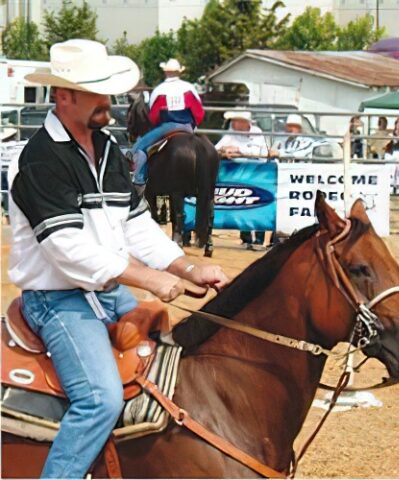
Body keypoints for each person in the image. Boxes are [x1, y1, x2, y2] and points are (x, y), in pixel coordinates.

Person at [8, 39, 229, 479]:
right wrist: (148, 279)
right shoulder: (38, 160)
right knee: (100, 398)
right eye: (96, 91)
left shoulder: (108, 150)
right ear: (64, 95)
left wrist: (187, 268)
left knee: (168, 370)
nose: (107, 102)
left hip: (106, 293)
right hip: (57, 302)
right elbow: (68, 250)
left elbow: (136, 226)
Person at [131, 58, 205, 186]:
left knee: (140, 147)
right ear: (180, 72)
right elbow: (199, 113)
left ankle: (139, 179)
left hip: (166, 127)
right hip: (187, 127)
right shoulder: (189, 88)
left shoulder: (159, 90)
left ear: (165, 72)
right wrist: (193, 126)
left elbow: (153, 116)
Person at [215, 111, 268, 248]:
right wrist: (223, 152)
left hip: (257, 172)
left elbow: (261, 153)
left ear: (245, 122)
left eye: (237, 120)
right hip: (238, 173)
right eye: (233, 120)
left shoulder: (257, 132)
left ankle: (259, 239)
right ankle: (246, 239)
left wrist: (239, 151)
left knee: (259, 204)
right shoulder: (231, 132)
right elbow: (217, 148)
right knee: (244, 205)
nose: (234, 123)